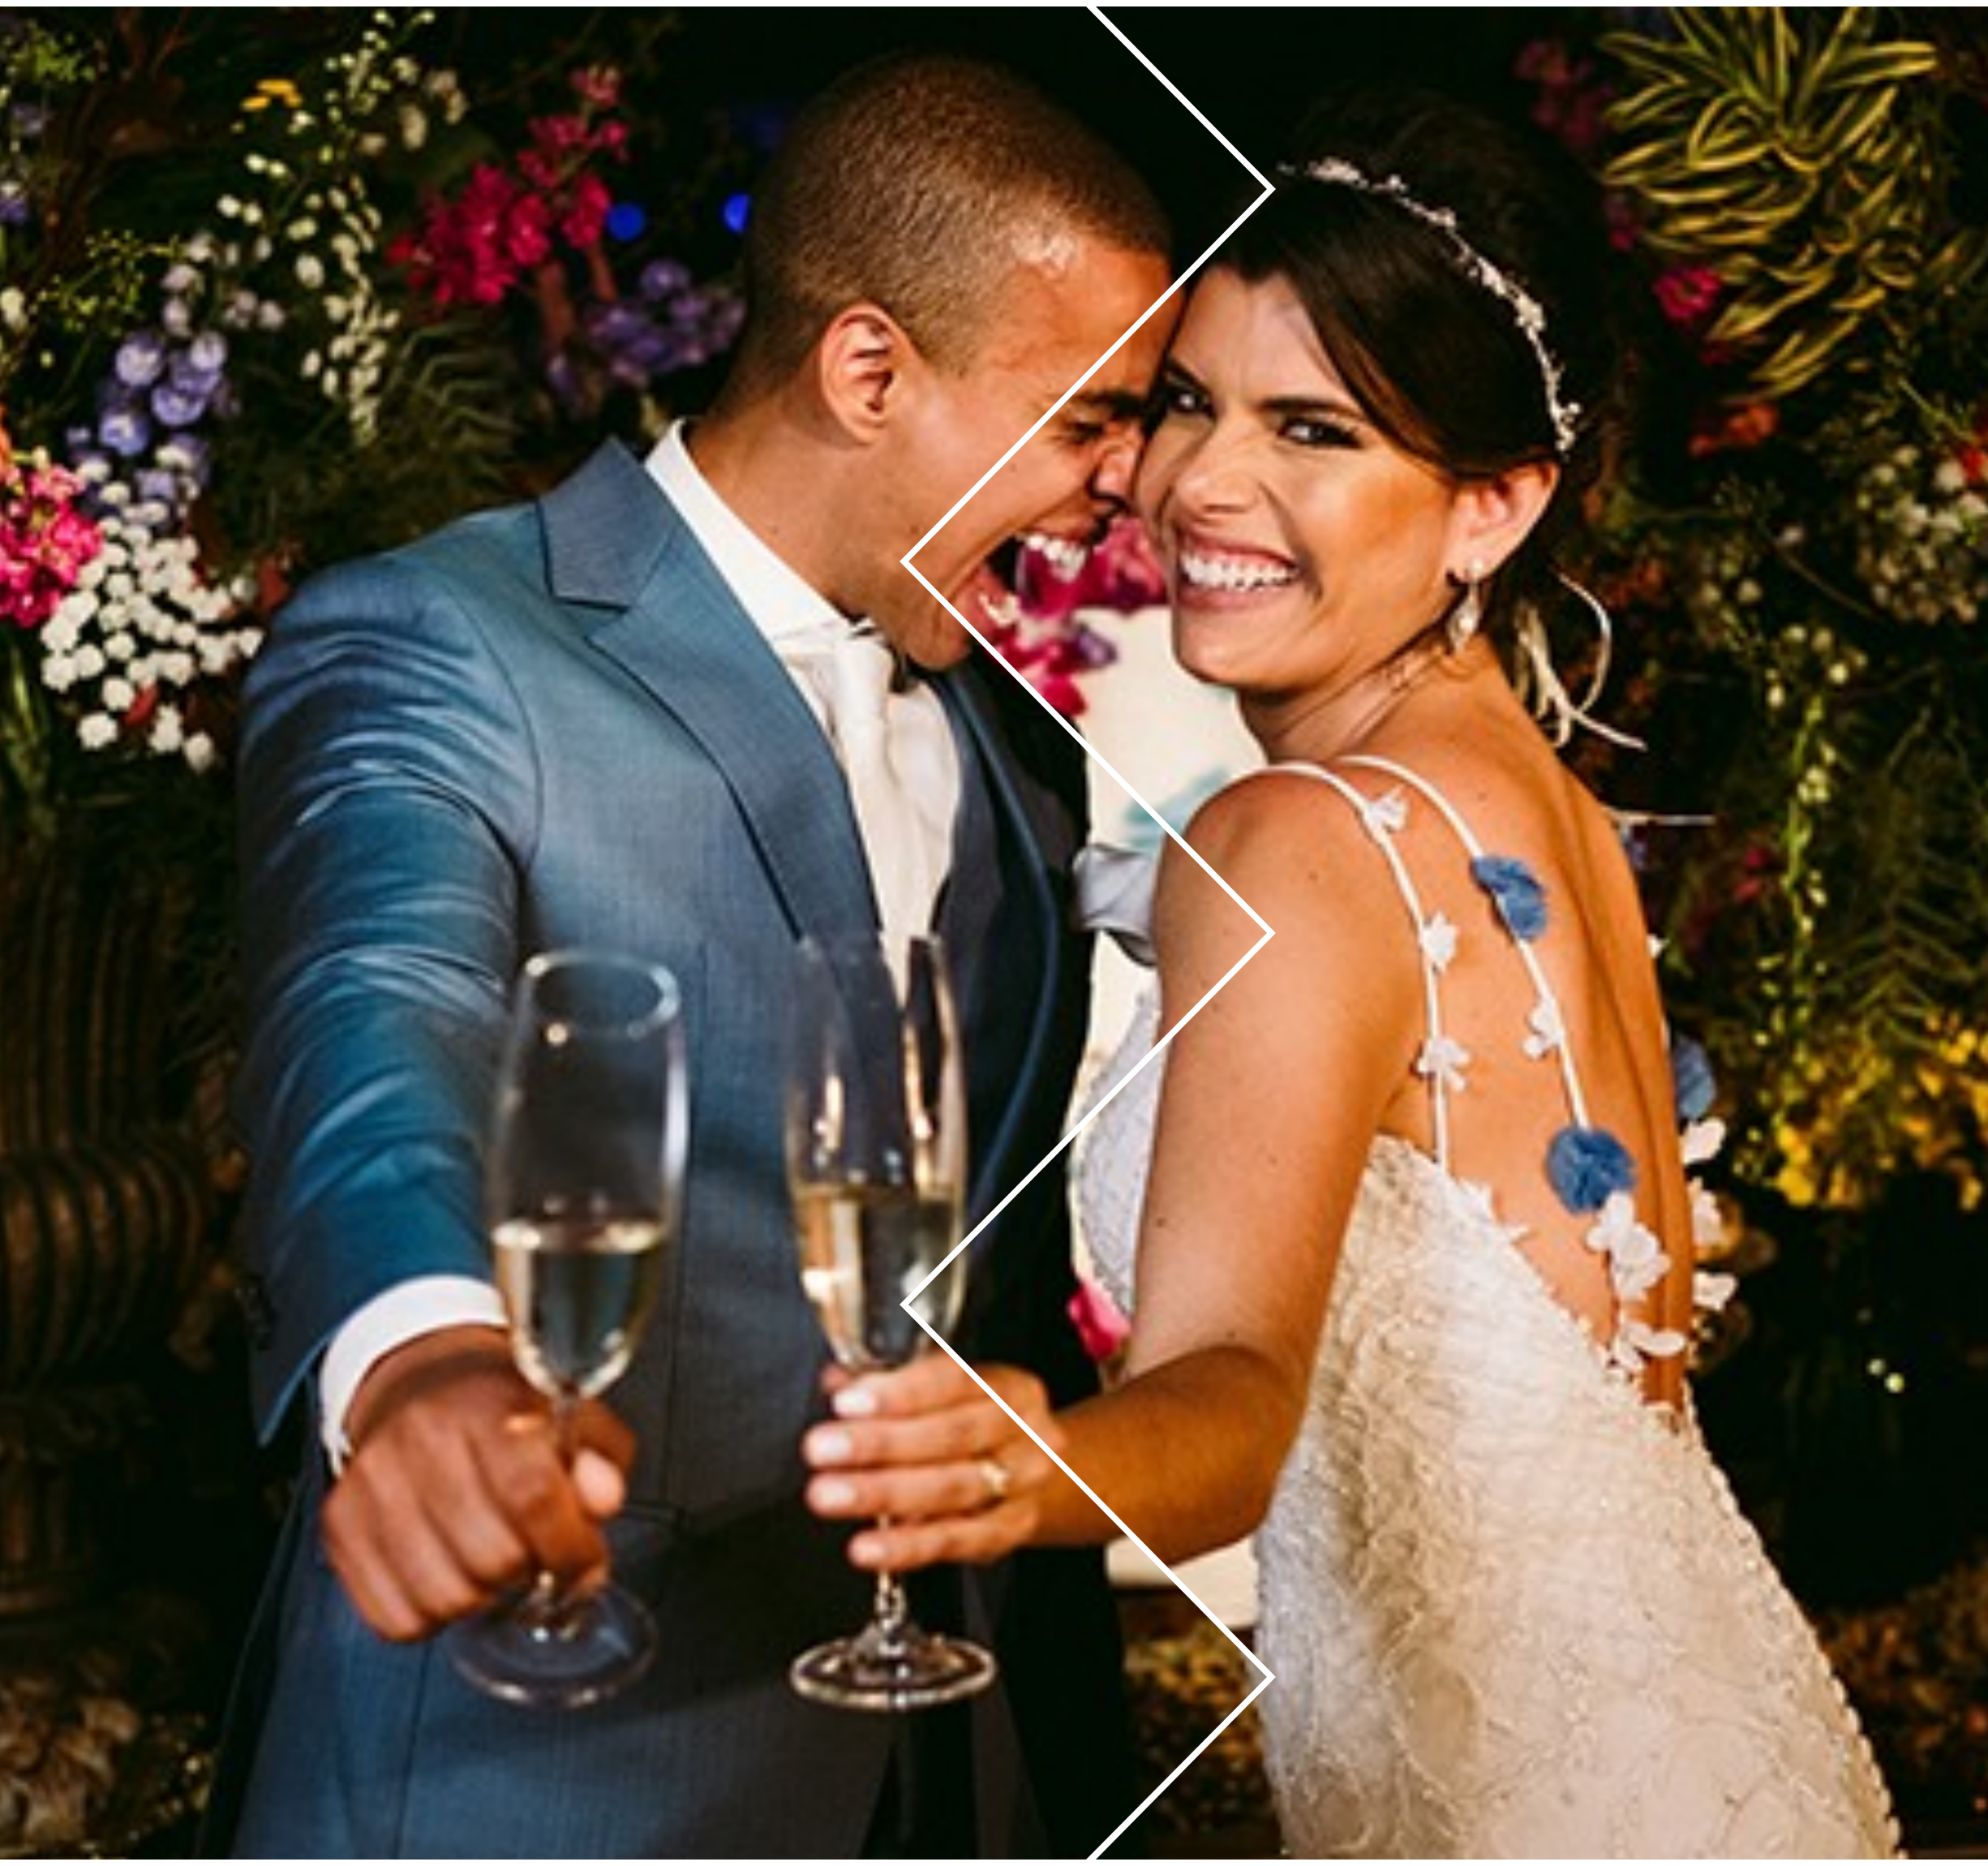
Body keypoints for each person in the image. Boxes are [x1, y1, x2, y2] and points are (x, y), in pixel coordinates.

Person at [801, 91, 1904, 1858]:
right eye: (1184, 400)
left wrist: (1030, 1458)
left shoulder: (1302, 834)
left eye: (1311, 428)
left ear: (1491, 503)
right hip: (1714, 1760)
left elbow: (1231, 1395)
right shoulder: (1541, 807)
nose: (1198, 485)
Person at [210, 54, 1174, 1857]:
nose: (1116, 487)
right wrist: (420, 1359)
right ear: (870, 367)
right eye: (1085, 420)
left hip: (954, 1759)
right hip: (551, 1763)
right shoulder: (442, 640)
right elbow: (372, 1005)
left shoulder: (1011, 744)